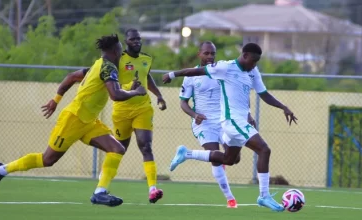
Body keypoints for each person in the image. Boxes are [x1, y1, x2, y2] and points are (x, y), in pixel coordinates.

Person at [0, 34, 147, 207]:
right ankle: (2, 170)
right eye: (120, 49)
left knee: (116, 148)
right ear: (115, 51)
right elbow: (115, 95)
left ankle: (100, 192)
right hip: (73, 119)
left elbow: (71, 77)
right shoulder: (108, 68)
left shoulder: (98, 65)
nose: (122, 53)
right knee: (47, 159)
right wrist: (135, 92)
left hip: (88, 122)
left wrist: (55, 100)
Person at [163, 43, 298, 212]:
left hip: (238, 120)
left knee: (229, 159)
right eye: (253, 61)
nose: (254, 65)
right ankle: (263, 196)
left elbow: (263, 94)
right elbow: (194, 71)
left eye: (257, 62)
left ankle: (187, 154)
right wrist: (172, 74)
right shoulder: (225, 67)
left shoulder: (252, 71)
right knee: (264, 150)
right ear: (245, 55)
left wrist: (283, 107)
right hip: (231, 121)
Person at [179, 41, 255, 208]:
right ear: (199, 54)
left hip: (223, 121)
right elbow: (183, 102)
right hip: (204, 123)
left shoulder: (221, 70)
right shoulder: (192, 75)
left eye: (212, 53)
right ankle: (230, 198)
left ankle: (188, 154)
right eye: (206, 53)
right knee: (215, 156)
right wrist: (194, 114)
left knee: (234, 159)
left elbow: (238, 94)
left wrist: (247, 114)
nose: (210, 57)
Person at [111, 28, 166, 203]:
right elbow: (113, 82)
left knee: (146, 146)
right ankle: (102, 186)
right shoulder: (118, 60)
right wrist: (129, 87)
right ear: (126, 42)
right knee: (118, 149)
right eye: (133, 39)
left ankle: (152, 189)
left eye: (139, 39)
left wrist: (159, 95)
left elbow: (147, 77)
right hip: (122, 110)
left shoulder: (146, 59)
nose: (137, 42)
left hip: (143, 108)